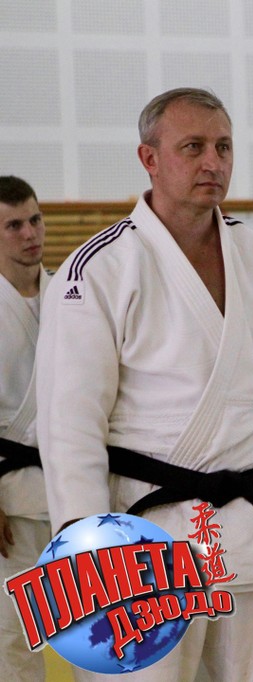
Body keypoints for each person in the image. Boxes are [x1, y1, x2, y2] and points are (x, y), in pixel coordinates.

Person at [35, 88, 253, 681]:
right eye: (193, 147)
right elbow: (70, 428)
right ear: (149, 158)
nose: (213, 163)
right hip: (143, 539)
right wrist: (88, 555)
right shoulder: (99, 269)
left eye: (223, 147)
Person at [0, 176, 50, 681]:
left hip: (75, 489)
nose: (29, 234)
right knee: (14, 637)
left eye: (34, 220)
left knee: (100, 630)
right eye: (13, 225)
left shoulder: (71, 295)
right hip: (11, 500)